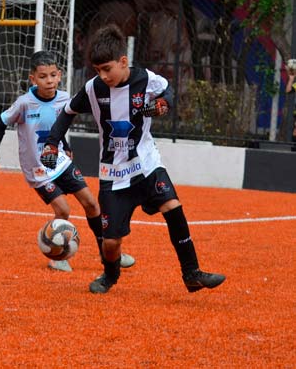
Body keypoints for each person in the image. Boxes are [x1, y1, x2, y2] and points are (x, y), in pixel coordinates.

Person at [40, 24, 225, 294]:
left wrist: (163, 105)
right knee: (111, 243)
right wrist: (51, 143)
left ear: (123, 61)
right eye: (97, 70)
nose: (102, 76)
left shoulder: (145, 78)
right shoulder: (93, 88)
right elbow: (67, 112)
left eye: (107, 69)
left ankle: (192, 273)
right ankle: (109, 275)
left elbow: (166, 92)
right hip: (113, 175)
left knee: (173, 208)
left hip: (148, 165)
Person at [0, 50, 135, 273]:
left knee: (92, 204)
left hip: (61, 162)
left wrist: (65, 146)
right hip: (38, 170)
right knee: (63, 210)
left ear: (60, 75)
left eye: (53, 75)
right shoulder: (24, 103)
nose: (49, 81)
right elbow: (0, 123)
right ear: (33, 79)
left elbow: (58, 125)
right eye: (43, 76)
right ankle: (56, 256)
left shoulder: (66, 98)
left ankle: (108, 253)